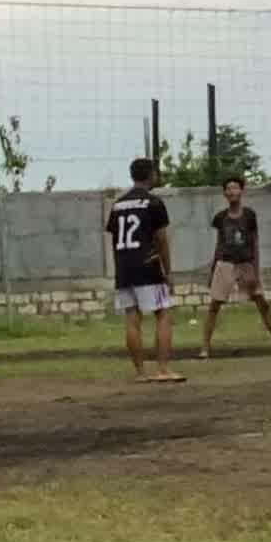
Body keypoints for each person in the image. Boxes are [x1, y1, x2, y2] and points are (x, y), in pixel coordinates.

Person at [105, 156, 179, 378]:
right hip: (148, 265)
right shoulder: (153, 202)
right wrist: (168, 271)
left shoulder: (117, 204)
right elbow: (161, 239)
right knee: (163, 313)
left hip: (124, 268)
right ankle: (163, 369)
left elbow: (114, 238)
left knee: (132, 317)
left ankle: (140, 373)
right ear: (151, 175)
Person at [201, 176, 271, 356]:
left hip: (246, 264)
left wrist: (255, 271)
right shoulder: (220, 217)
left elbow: (255, 243)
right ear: (224, 193)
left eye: (235, 188)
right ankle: (205, 348)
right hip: (225, 263)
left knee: (262, 303)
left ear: (241, 191)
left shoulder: (249, 215)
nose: (232, 191)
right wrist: (212, 270)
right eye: (228, 188)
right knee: (214, 306)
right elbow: (219, 244)